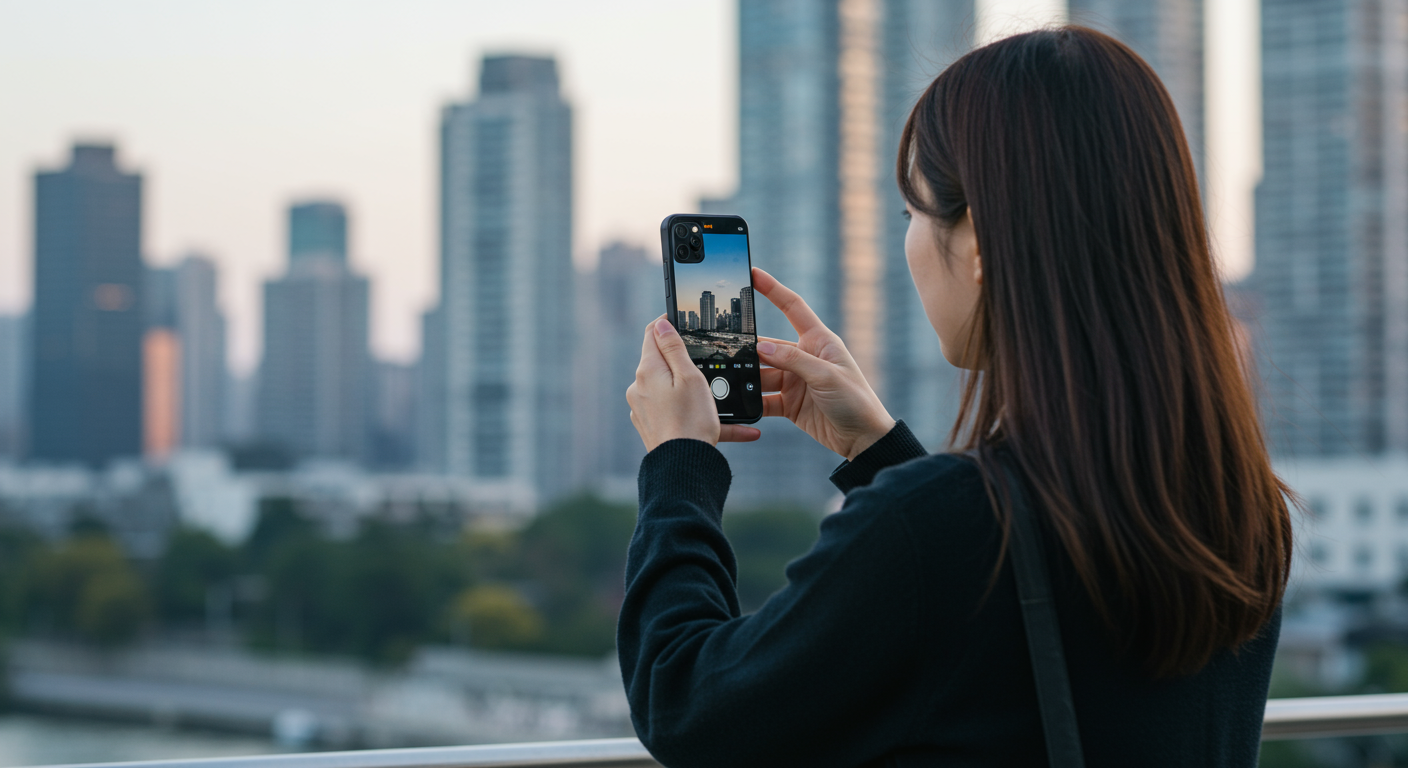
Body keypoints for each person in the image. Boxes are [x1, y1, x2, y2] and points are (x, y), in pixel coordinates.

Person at [619, 26, 1292, 768]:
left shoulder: (932, 530)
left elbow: (685, 700)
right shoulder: (1243, 512)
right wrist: (878, 451)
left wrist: (678, 464)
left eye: (911, 213)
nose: (908, 240)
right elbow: (1005, 646)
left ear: (976, 244)